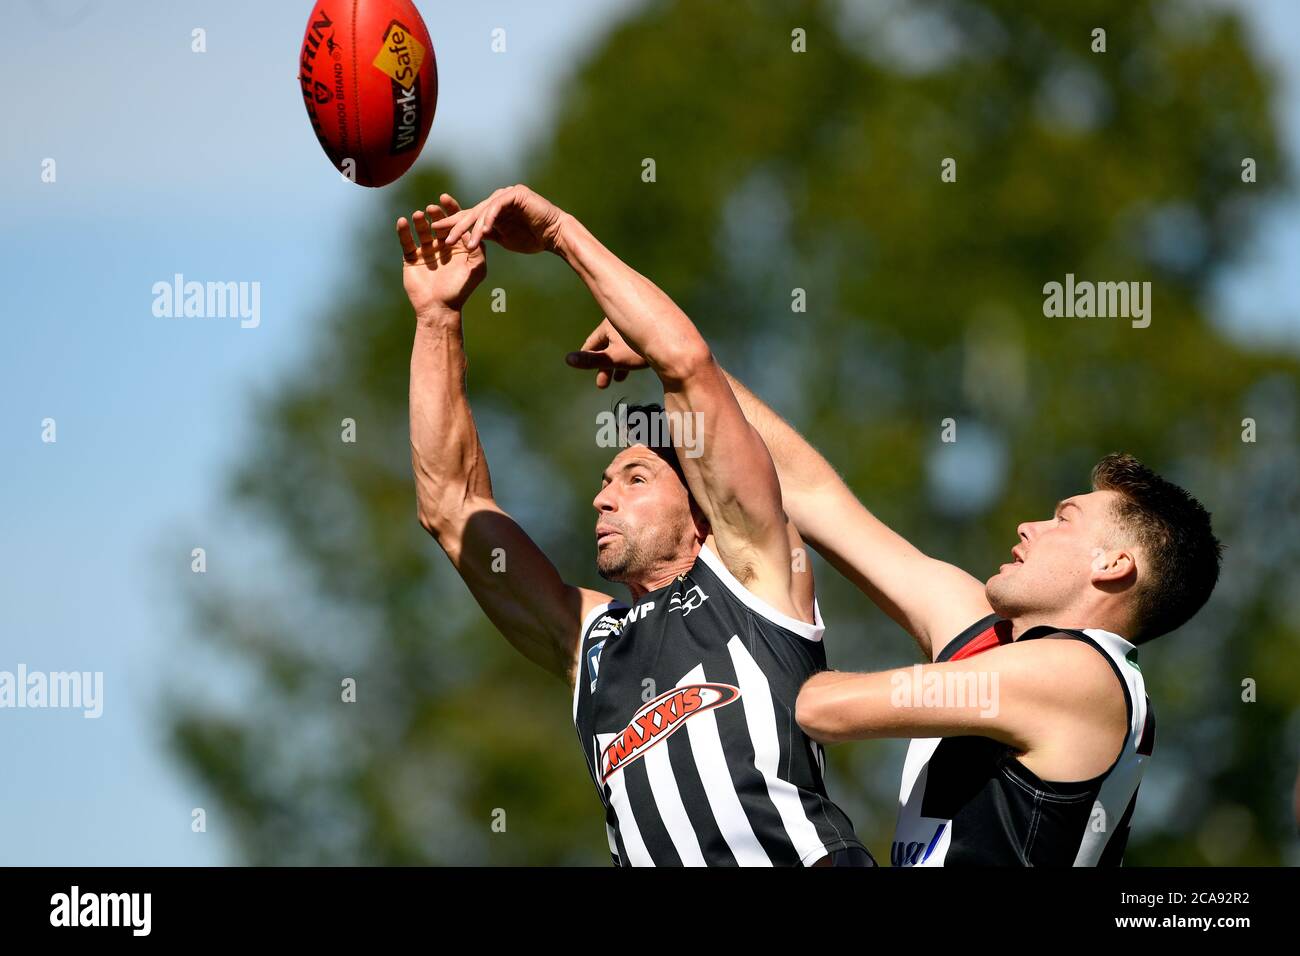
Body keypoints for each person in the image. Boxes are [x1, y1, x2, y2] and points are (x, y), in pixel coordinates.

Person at [567, 318, 1222, 866]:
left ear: (1113, 565)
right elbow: (816, 496)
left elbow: (824, 708)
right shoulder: (984, 634)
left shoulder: (1083, 677)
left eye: (1064, 518)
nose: (1031, 524)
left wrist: (743, 649)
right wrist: (684, 373)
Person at [401, 186, 871, 866]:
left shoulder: (753, 575)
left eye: (635, 479)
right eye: (603, 483)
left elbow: (686, 364)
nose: (603, 499)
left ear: (704, 512)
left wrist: (561, 230)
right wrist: (437, 318)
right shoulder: (592, 642)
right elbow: (449, 507)